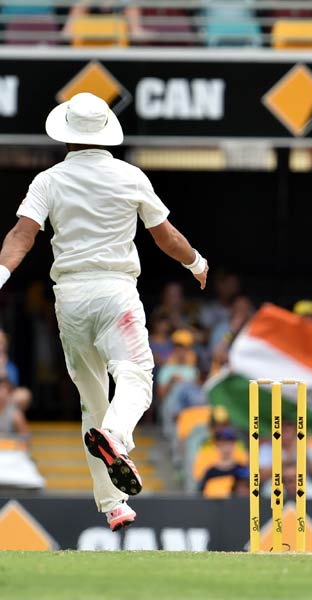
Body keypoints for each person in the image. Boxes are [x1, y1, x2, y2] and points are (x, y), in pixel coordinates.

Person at [0, 92, 208, 532]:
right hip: (116, 293)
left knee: (92, 403)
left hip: (70, 300)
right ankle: (117, 437)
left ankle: (112, 505)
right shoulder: (129, 176)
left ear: (67, 134)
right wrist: (195, 262)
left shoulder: (49, 180)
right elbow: (165, 236)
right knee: (136, 376)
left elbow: (23, 234)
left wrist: (0, 274)